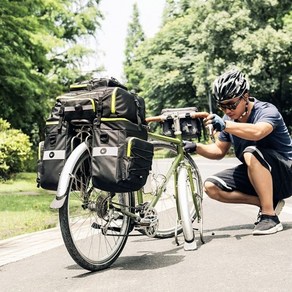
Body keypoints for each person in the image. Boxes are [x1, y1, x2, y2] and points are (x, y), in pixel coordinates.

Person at [184, 69, 292, 235]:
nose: (227, 111)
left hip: (285, 173)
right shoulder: (229, 120)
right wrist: (196, 147)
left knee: (251, 152)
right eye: (222, 106)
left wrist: (226, 125)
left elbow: (258, 132)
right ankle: (267, 203)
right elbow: (219, 150)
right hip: (257, 175)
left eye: (231, 104)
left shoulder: (267, 111)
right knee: (211, 187)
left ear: (246, 96)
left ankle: (270, 217)